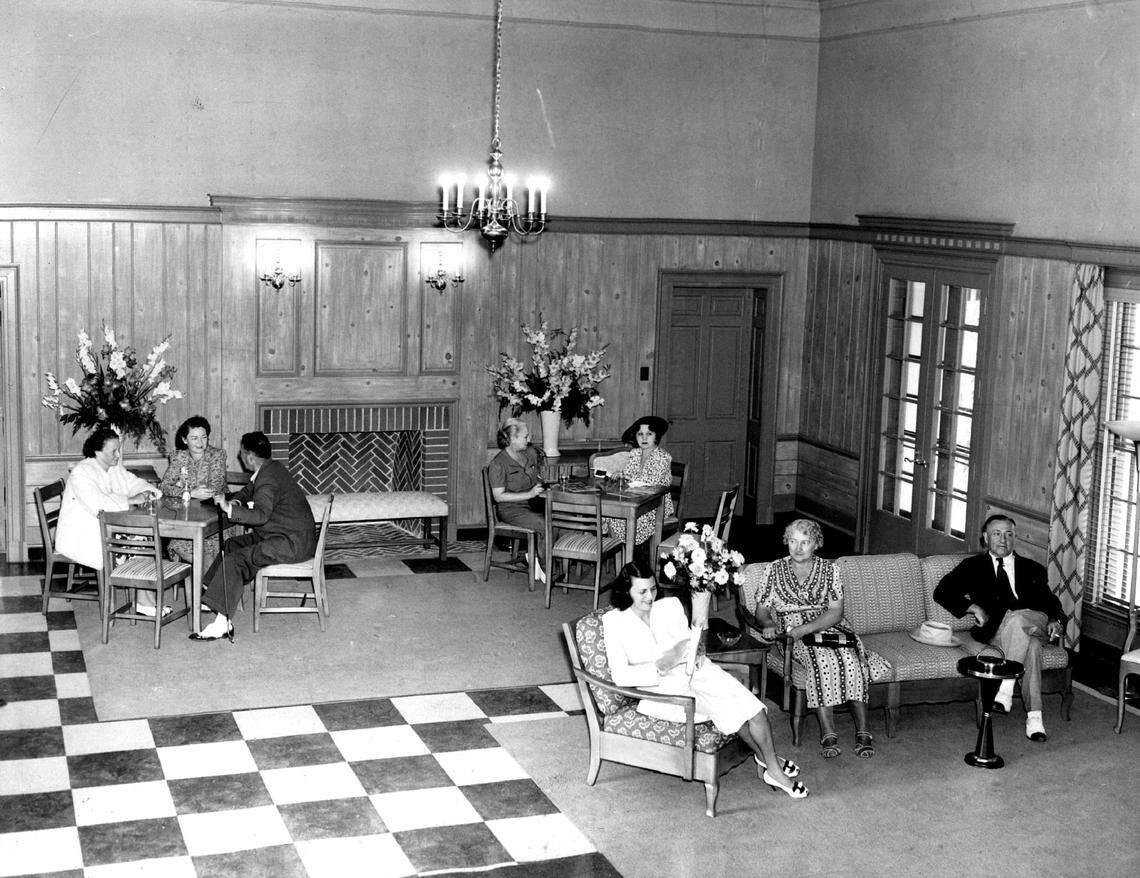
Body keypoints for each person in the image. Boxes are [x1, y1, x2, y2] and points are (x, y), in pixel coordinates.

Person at [602, 560, 808, 798]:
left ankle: (768, 762)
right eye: (642, 592)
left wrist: (694, 650)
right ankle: (773, 767)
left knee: (754, 709)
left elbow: (691, 641)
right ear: (626, 591)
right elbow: (619, 676)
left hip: (696, 673)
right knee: (732, 712)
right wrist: (660, 665)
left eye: (653, 589)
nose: (650, 596)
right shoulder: (615, 622)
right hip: (663, 692)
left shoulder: (669, 605)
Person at [749, 518, 876, 759]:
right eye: (793, 541)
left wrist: (806, 629)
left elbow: (836, 612)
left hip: (828, 626)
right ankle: (828, 731)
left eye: (805, 542)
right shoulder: (773, 569)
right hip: (791, 632)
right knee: (820, 660)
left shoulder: (830, 570)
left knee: (851, 659)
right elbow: (762, 610)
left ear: (816, 544)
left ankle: (863, 731)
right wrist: (768, 624)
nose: (798, 548)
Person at [934, 514, 1064, 742]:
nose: (1003, 540)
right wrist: (973, 607)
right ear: (985, 538)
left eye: (1009, 534)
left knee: (1018, 620)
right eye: (997, 534)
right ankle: (1035, 718)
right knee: (1031, 647)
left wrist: (1056, 619)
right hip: (998, 631)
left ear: (1015, 538)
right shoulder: (972, 566)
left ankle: (1006, 686)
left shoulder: (1032, 568)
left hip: (1036, 621)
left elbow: (1051, 603)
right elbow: (942, 591)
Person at [190, 431, 315, 642]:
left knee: (236, 560)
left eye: (241, 452)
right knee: (231, 545)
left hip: (291, 543)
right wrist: (236, 502)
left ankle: (222, 623)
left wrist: (228, 508)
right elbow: (248, 491)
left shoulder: (267, 479)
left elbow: (260, 515)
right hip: (283, 534)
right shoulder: (270, 468)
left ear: (249, 456)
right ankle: (211, 596)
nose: (239, 456)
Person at [55, 426, 164, 615]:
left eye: (119, 449)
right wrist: (131, 500)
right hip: (83, 535)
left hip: (106, 529)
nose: (118, 454)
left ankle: (145, 601)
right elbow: (99, 504)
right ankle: (145, 603)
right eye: (113, 451)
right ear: (98, 451)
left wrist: (146, 492)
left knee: (145, 539)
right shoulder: (82, 472)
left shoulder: (113, 468)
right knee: (141, 541)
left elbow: (134, 482)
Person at [159, 415, 227, 564]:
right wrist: (190, 493)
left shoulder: (217, 455)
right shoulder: (179, 457)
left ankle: (208, 582)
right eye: (194, 438)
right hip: (186, 518)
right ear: (185, 440)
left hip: (214, 519)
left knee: (205, 548)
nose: (200, 442)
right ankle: (204, 581)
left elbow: (213, 489)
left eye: (204, 437)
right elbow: (164, 487)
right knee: (177, 543)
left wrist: (181, 489)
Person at [487, 418, 548, 584]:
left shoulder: (529, 454)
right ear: (512, 438)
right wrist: (529, 494)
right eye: (525, 437)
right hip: (511, 509)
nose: (529, 440)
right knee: (544, 524)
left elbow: (538, 478)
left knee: (559, 518)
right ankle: (548, 570)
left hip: (533, 503)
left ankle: (537, 556)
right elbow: (499, 496)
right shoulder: (498, 463)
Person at [602, 416, 674, 555]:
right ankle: (622, 556)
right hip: (635, 500)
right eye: (640, 434)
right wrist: (620, 475)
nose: (644, 438)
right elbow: (629, 473)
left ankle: (632, 554)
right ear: (636, 436)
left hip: (656, 504)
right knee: (611, 515)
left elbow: (652, 482)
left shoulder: (663, 456)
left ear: (656, 436)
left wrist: (629, 478)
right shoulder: (635, 453)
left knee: (628, 520)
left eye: (649, 434)